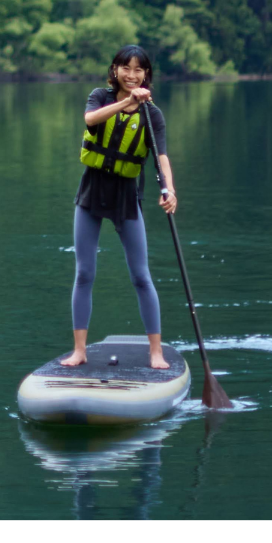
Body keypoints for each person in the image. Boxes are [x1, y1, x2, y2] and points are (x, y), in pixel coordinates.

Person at [61, 45, 177, 369]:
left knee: (141, 276)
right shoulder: (100, 96)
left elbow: (162, 157)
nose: (132, 75)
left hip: (126, 195)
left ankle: (156, 352)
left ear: (146, 75)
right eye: (126, 68)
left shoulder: (152, 115)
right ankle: (79, 350)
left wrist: (169, 189)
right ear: (115, 70)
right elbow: (90, 119)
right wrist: (125, 103)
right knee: (84, 272)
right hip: (92, 190)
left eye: (139, 70)